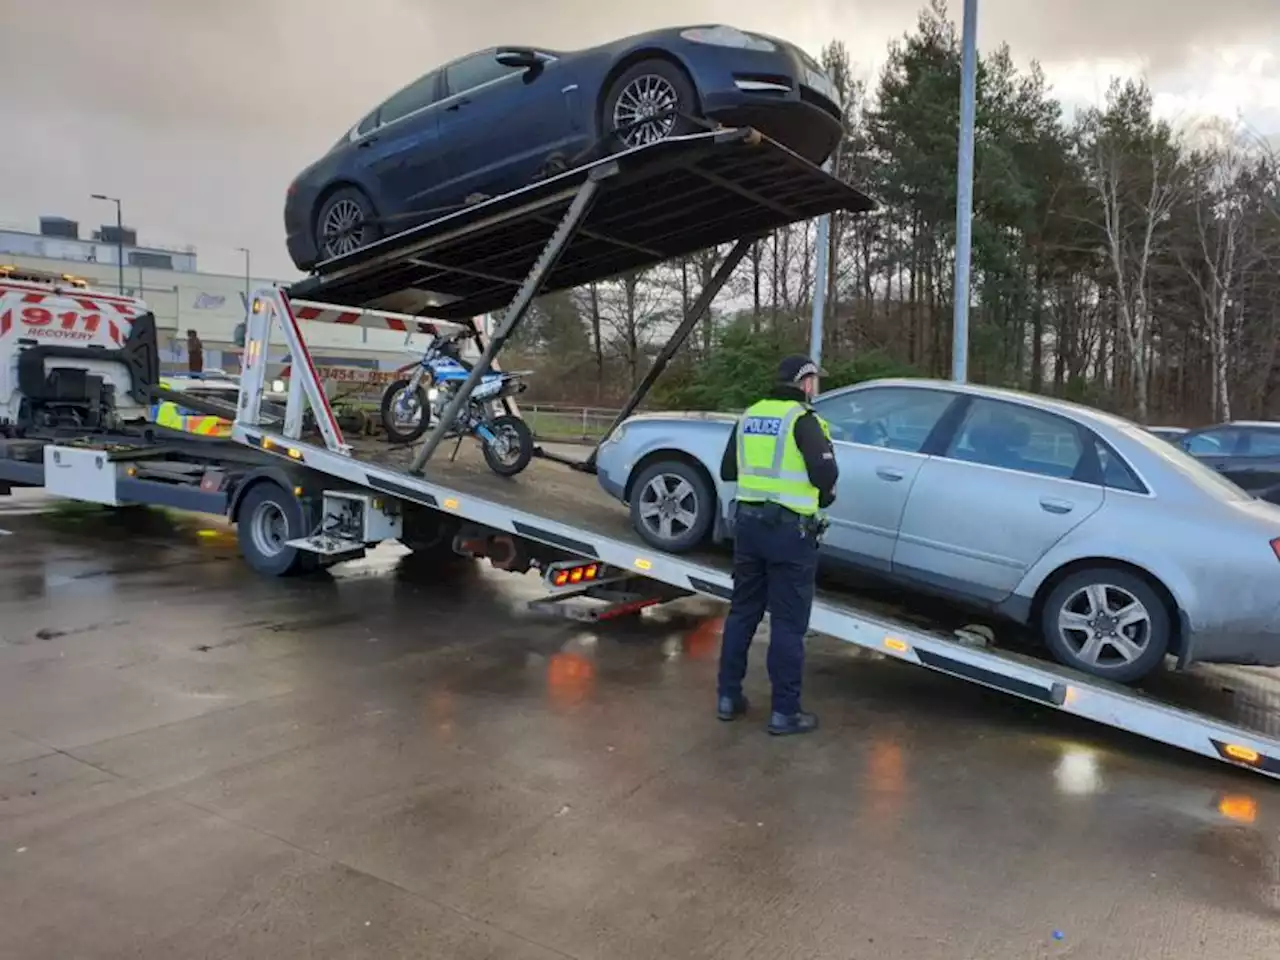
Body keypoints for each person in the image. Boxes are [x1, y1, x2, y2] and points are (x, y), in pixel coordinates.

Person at [716, 355, 838, 736]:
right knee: (787, 624)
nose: (816, 388)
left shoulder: (750, 415)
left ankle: (727, 698)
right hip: (791, 533)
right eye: (815, 381)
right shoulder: (804, 420)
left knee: (742, 613)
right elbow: (827, 474)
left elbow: (728, 470)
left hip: (748, 528)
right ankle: (785, 712)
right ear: (804, 383)